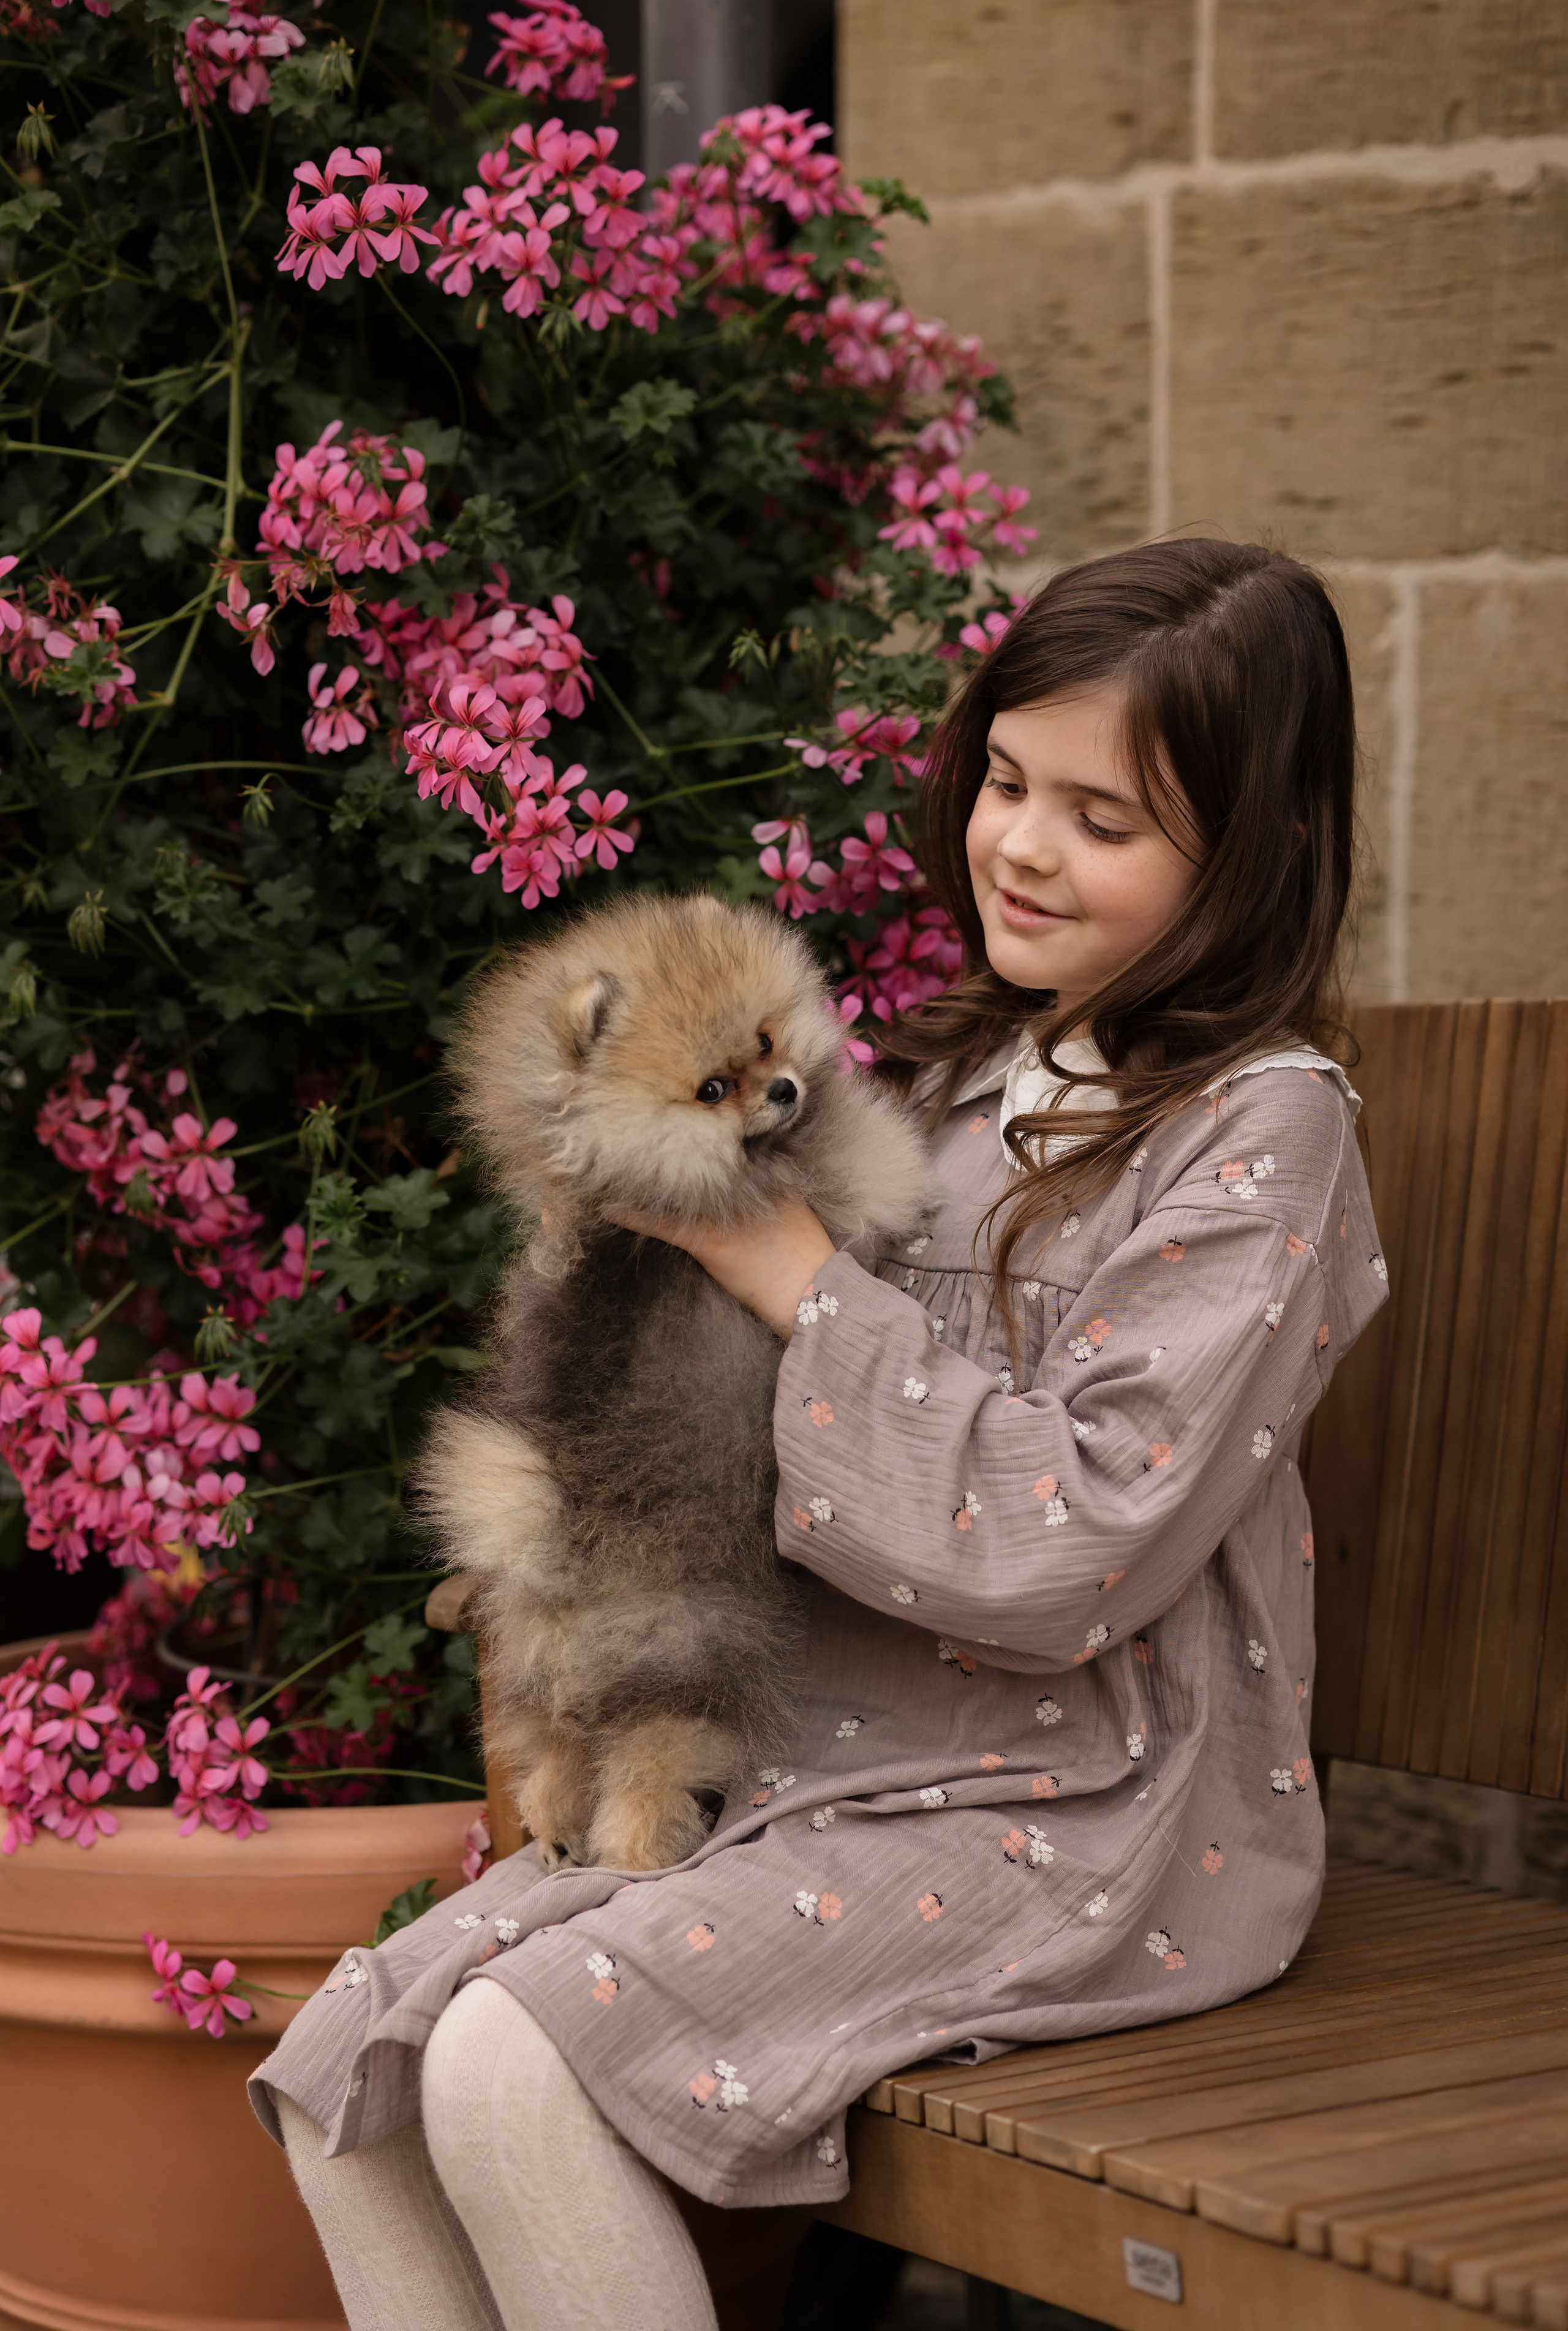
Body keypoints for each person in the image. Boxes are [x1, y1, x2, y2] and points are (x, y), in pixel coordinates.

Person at [251, 537, 1389, 2331]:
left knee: (504, 2071)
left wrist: (788, 1266)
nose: (1019, 843)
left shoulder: (1262, 1136)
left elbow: (1070, 1546)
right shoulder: (948, 1079)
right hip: (827, 1749)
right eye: (1009, 781)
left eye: (1104, 820)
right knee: (362, 2077)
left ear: (1253, 852)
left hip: (1085, 1801)